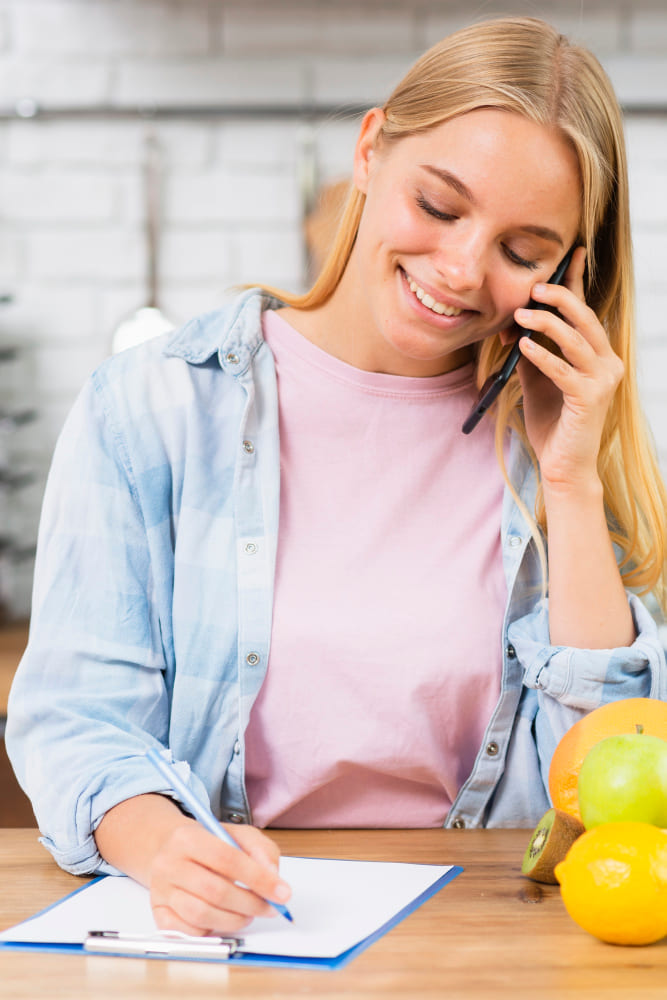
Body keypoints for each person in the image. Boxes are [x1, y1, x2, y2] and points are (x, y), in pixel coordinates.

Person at [7, 15, 667, 938]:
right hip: (239, 937)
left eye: (523, 252)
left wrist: (570, 480)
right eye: (438, 207)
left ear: (569, 272)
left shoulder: (560, 450)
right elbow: (76, 722)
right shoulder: (151, 409)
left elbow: (607, 793)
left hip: (490, 943)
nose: (462, 270)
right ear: (369, 150)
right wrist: (168, 850)